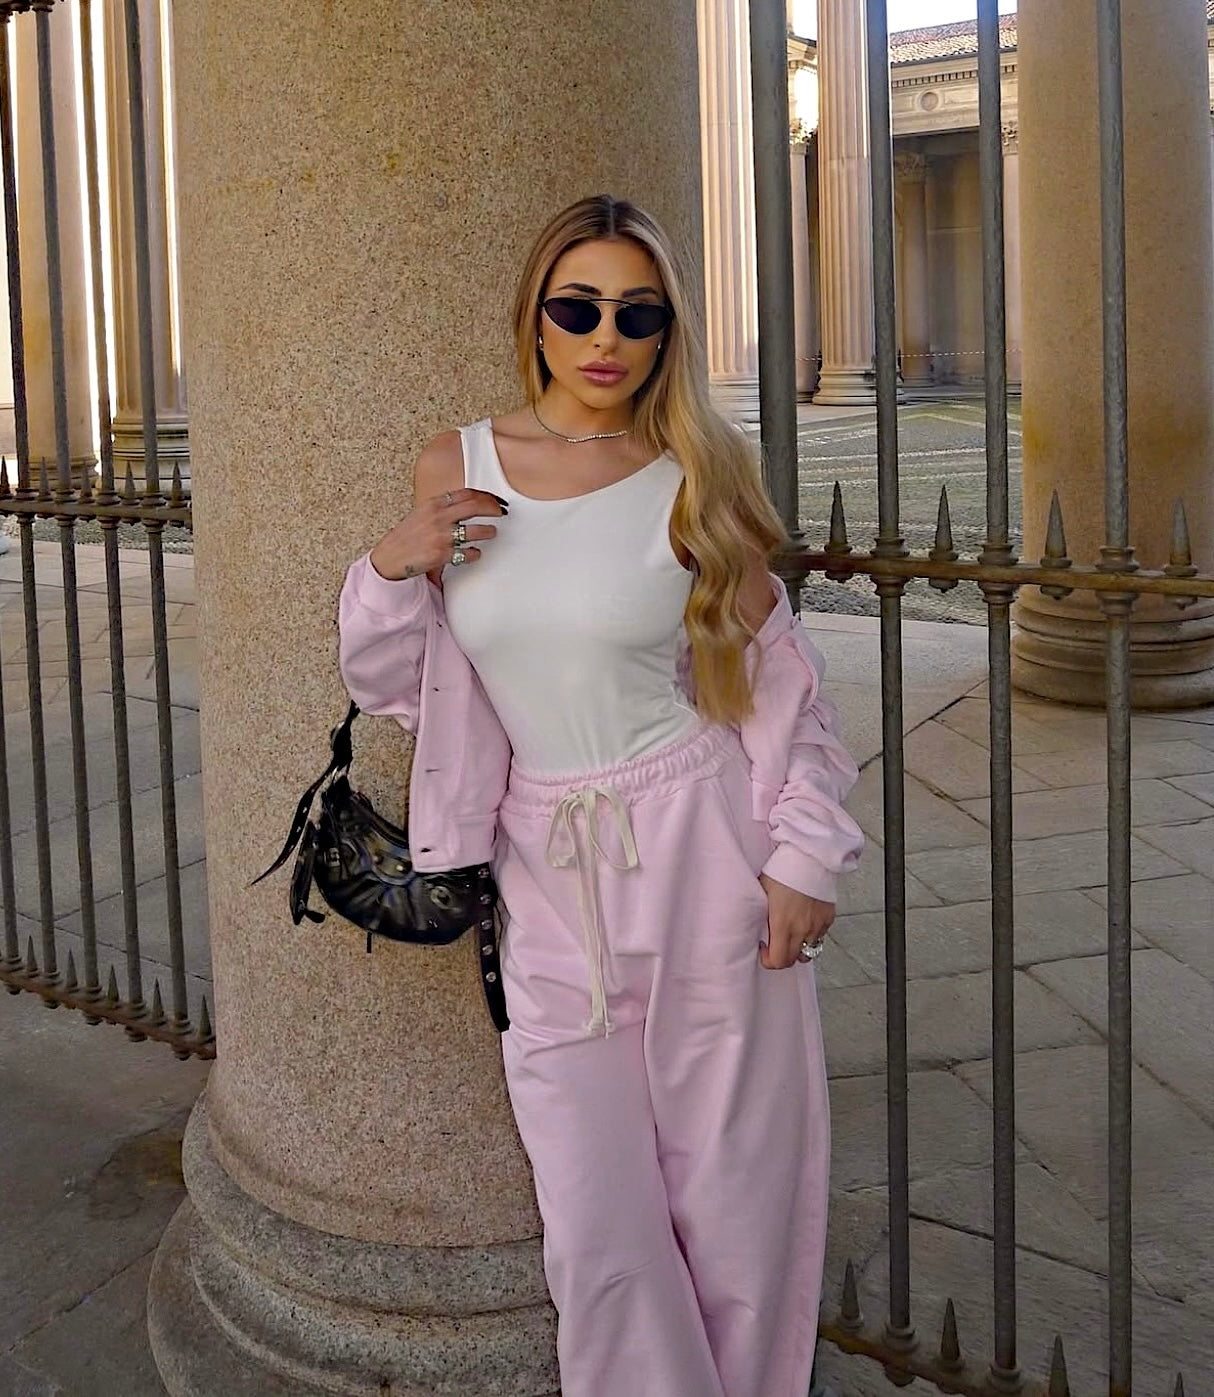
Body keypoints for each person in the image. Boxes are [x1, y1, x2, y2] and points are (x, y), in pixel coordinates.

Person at [337, 194, 863, 1397]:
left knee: (733, 1189)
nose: (605, 337)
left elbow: (780, 681)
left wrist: (802, 851)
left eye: (637, 312)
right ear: (533, 315)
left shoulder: (694, 471)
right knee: (595, 1219)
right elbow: (398, 685)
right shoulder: (457, 465)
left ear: (667, 329)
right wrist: (388, 566)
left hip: (702, 848)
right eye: (577, 308)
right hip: (542, 868)